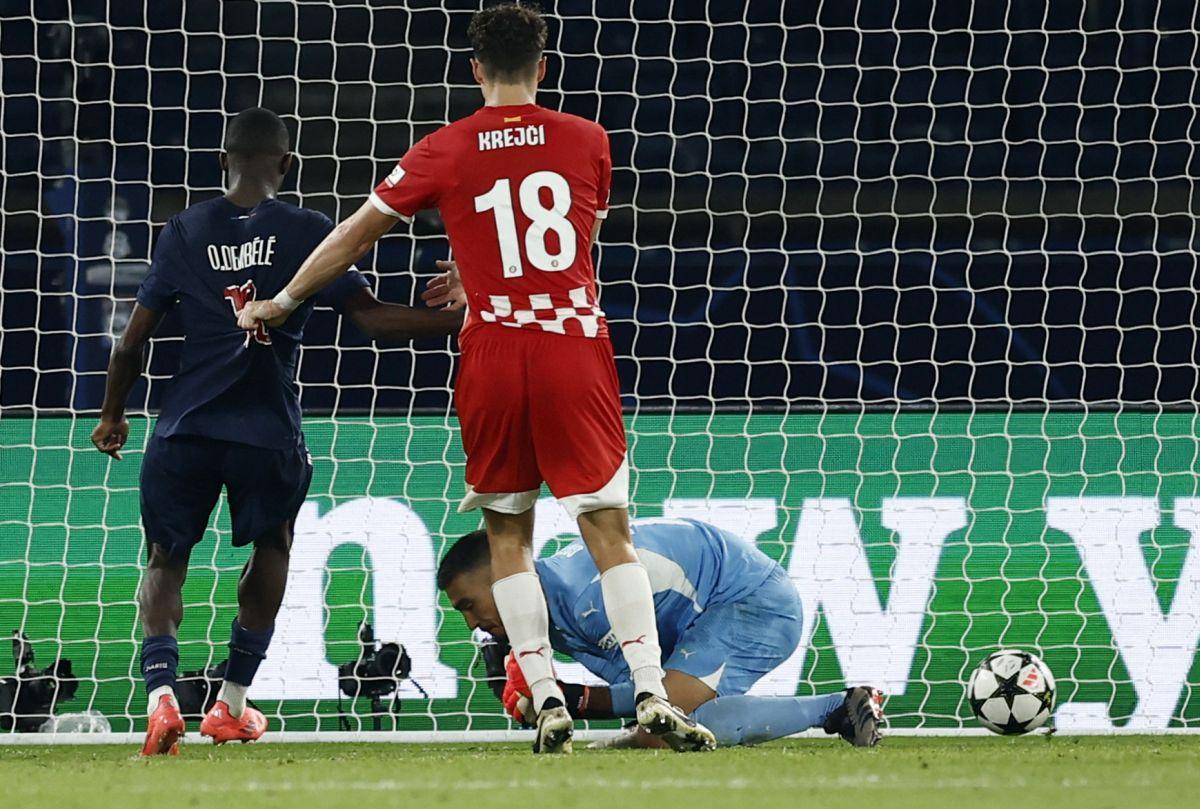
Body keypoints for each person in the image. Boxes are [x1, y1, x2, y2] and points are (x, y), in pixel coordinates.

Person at [236, 4, 708, 752]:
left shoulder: (443, 148)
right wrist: (492, 266)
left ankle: (544, 693)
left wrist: (283, 297)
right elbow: (570, 244)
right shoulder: (590, 141)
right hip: (571, 349)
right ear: (544, 68)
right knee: (607, 531)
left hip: (493, 355)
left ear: (475, 69)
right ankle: (650, 688)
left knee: (508, 535)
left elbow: (355, 231)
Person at [90, 107, 462, 757]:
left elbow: (131, 340)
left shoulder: (184, 229)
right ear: (286, 164)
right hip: (266, 427)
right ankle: (230, 704)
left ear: (222, 161)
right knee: (273, 546)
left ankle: (161, 696)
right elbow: (372, 321)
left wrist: (113, 412)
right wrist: (463, 321)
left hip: (185, 426)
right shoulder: (310, 229)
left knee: (164, 559)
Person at [437, 518, 885, 749]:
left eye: (469, 606)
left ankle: (838, 707)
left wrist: (565, 700)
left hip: (751, 602)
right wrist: (564, 698)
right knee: (657, 723)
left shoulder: (584, 602)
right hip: (711, 610)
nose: (472, 624)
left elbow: (648, 699)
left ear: (503, 578)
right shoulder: (553, 605)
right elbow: (637, 685)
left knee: (665, 730)